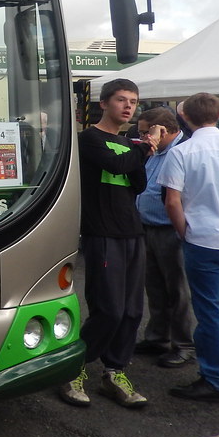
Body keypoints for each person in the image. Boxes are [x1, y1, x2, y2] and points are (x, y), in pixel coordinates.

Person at [58, 78, 161, 409]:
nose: (129, 106)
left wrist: (139, 151)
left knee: (132, 311)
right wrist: (144, 148)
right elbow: (118, 165)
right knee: (109, 310)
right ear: (103, 104)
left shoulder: (130, 144)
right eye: (121, 100)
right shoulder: (88, 139)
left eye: (133, 101)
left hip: (132, 232)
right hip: (102, 233)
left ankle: (115, 372)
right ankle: (71, 369)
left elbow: (138, 183)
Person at [160, 92, 219, 403]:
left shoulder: (183, 152)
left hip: (205, 240)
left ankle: (215, 379)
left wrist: (184, 232)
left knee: (210, 312)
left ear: (185, 117)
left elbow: (172, 201)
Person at [133, 107, 195, 368]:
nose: (142, 136)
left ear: (163, 130)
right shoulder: (156, 152)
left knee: (178, 291)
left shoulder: (182, 153)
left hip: (171, 231)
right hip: (149, 228)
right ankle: (158, 337)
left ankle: (184, 345)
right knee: (155, 287)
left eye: (146, 131)